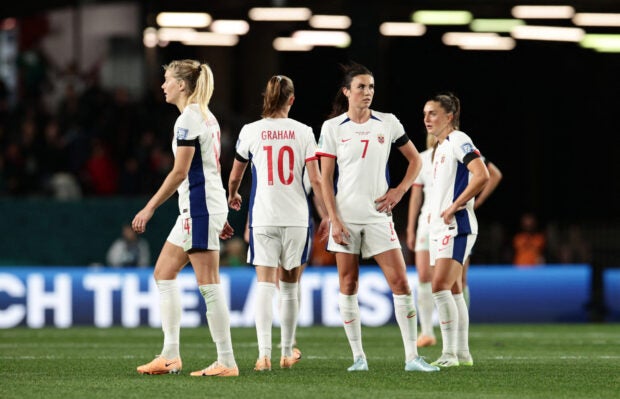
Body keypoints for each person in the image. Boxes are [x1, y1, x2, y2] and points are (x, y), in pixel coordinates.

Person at [317, 62, 438, 373]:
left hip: (377, 217)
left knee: (400, 282)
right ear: (346, 92)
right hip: (345, 217)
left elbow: (415, 161)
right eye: (361, 87)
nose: (367, 92)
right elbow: (325, 179)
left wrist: (399, 190)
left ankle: (413, 357)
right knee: (348, 283)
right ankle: (358, 357)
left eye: (370, 87)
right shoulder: (332, 128)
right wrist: (334, 218)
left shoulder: (388, 122)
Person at [132, 59, 239, 377]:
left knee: (209, 285)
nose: (163, 85)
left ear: (181, 85)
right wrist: (219, 210)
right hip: (202, 208)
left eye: (167, 80)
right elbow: (213, 168)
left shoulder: (189, 120)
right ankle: (170, 356)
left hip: (199, 208)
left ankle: (226, 361)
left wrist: (149, 207)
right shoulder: (206, 117)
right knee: (163, 274)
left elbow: (180, 172)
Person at [228, 75, 328, 372]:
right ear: (292, 100)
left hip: (264, 218)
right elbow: (318, 179)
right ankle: (286, 351)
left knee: (264, 285)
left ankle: (263, 355)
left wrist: (233, 195)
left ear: (266, 98)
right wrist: (328, 216)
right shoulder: (304, 132)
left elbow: (236, 175)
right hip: (297, 218)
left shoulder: (251, 131)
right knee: (289, 287)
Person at [423, 92, 489, 368]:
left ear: (449, 117)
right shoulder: (439, 148)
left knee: (438, 286)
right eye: (425, 113)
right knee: (452, 289)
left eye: (433, 113)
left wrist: (455, 206)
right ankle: (462, 353)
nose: (427, 119)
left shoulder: (458, 139)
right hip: (440, 228)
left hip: (456, 226)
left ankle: (449, 353)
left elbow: (482, 174)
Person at [406, 133, 438, 348]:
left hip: (449, 224)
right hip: (426, 224)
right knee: (424, 276)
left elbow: (488, 173)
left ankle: (456, 329)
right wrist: (410, 228)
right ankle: (427, 331)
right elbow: (416, 196)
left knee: (451, 281)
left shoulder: (458, 153)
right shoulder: (423, 158)